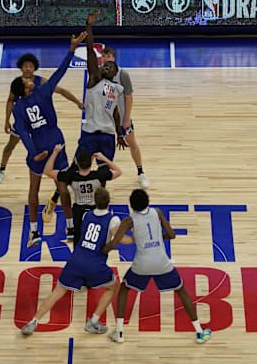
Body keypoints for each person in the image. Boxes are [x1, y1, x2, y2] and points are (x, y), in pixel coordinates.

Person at [103, 189, 213, 344]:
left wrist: (102, 251)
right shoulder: (157, 212)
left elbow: (114, 243)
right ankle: (200, 332)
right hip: (162, 263)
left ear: (132, 205)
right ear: (148, 201)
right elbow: (172, 235)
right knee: (181, 291)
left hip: (142, 265)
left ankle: (119, 332)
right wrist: (159, 238)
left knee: (124, 289)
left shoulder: (129, 220)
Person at [20, 187, 132, 335]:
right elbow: (120, 239)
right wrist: (136, 239)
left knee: (58, 291)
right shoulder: (113, 219)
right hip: (94, 262)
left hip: (76, 258)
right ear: (109, 202)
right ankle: (93, 321)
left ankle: (33, 322)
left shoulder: (87, 215)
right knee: (112, 287)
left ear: (94, 201)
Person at [13, 32, 87, 247]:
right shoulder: (43, 91)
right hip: (56, 142)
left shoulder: (18, 108)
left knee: (33, 190)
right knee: (62, 188)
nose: (29, 79)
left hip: (38, 148)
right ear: (25, 88)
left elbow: (24, 133)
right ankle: (71, 227)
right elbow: (61, 72)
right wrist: (72, 50)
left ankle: (34, 232)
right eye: (26, 80)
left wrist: (34, 152)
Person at [0, 54, 84, 185]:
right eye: (26, 66)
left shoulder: (41, 81)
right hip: (22, 120)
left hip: (38, 125)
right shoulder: (18, 84)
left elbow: (61, 90)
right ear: (21, 68)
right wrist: (6, 120)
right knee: (10, 146)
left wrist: (77, 102)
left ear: (35, 67)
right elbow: (10, 101)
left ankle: (59, 180)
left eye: (31, 66)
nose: (28, 69)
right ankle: (1, 169)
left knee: (43, 150)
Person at [75, 11, 126, 176]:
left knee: (104, 172)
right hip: (90, 132)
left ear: (114, 74)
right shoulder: (95, 78)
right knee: (78, 166)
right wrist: (88, 25)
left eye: (111, 67)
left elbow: (116, 113)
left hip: (108, 135)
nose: (107, 67)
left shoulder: (117, 88)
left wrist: (120, 134)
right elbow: (90, 49)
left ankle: (100, 197)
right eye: (106, 65)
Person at [43, 144, 121, 245]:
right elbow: (118, 172)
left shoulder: (71, 176)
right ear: (91, 163)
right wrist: (104, 158)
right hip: (95, 209)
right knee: (96, 239)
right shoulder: (98, 175)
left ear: (77, 163)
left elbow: (47, 171)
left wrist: (55, 153)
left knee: (78, 240)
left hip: (78, 210)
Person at [101, 46, 150, 189]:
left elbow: (129, 97)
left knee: (132, 144)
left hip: (122, 119)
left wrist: (127, 118)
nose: (106, 59)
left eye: (108, 56)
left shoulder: (122, 75)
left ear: (114, 58)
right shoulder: (99, 73)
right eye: (103, 56)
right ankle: (76, 176)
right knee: (92, 148)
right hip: (104, 121)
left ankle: (141, 172)